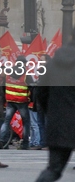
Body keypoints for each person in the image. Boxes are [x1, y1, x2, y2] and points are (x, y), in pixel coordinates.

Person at [34, 30, 75, 182]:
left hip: (59, 122)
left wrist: (52, 113)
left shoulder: (53, 63)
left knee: (53, 169)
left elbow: (41, 92)